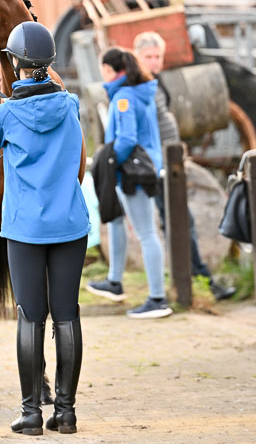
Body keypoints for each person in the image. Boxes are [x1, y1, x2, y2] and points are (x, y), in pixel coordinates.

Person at [0, 21, 91, 436]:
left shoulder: (7, 114)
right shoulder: (71, 105)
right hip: (70, 226)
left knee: (30, 318)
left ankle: (30, 414)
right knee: (67, 318)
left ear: (12, 62)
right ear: (48, 62)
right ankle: (65, 412)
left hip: (26, 230)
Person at [133, 31, 236, 301]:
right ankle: (195, 281)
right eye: (148, 57)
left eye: (158, 56)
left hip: (169, 161)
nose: (154, 62)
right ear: (137, 56)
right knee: (176, 222)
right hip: (158, 165)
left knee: (179, 222)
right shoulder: (138, 86)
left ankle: (192, 279)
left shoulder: (154, 81)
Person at [87, 47, 173, 319]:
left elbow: (126, 139)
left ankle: (157, 298)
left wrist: (109, 159)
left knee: (146, 232)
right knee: (115, 220)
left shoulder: (123, 97)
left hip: (134, 172)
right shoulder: (140, 90)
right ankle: (115, 281)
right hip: (143, 167)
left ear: (110, 70)